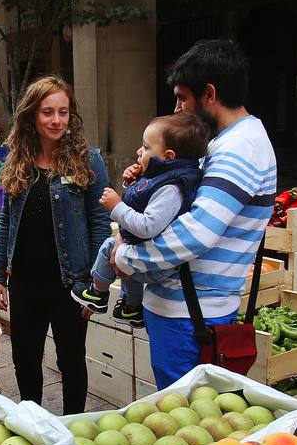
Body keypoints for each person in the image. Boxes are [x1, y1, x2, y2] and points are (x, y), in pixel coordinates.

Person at [110, 39, 277, 387]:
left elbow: (196, 233)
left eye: (183, 98)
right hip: (186, 308)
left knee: (183, 417)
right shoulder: (225, 143)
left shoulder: (239, 148)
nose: (178, 108)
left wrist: (126, 258)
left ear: (210, 94)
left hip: (189, 314)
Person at [0, 76, 110, 414]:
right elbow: (7, 223)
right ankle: (34, 425)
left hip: (71, 284)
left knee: (71, 359)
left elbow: (100, 224)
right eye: (48, 112)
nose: (57, 120)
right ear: (31, 115)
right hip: (25, 284)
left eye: (63, 112)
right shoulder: (17, 161)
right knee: (24, 359)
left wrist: (96, 287)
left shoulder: (88, 160)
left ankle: (73, 429)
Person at [72, 112, 209, 326]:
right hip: (152, 256)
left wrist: (117, 207)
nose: (139, 151)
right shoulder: (165, 177)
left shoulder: (172, 189)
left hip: (160, 265)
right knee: (128, 262)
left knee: (110, 246)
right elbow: (147, 199)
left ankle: (97, 293)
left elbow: (147, 226)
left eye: (146, 147)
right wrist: (134, 183)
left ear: (168, 156)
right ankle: (131, 308)